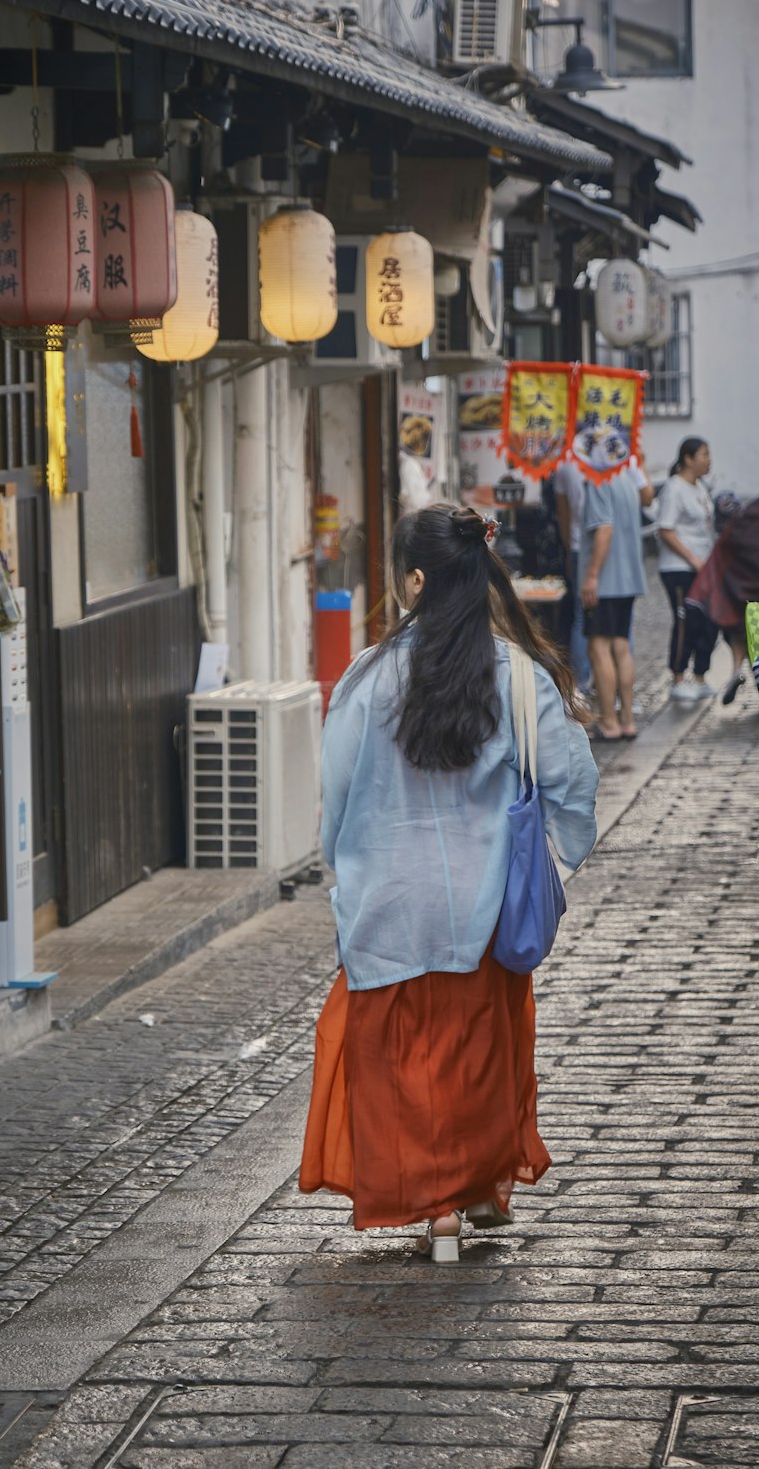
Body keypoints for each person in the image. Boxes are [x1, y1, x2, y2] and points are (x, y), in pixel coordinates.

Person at [299, 505, 598, 1263]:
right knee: (476, 1052)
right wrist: (556, 857)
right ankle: (472, 1189)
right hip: (484, 903)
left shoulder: (367, 678)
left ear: (415, 582)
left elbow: (334, 796)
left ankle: (436, 1209)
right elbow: (573, 786)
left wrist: (344, 867)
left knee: (402, 1062)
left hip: (388, 899)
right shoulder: (518, 676)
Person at [580, 465, 650, 741]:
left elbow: (604, 528)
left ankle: (609, 722)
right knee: (621, 646)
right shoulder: (625, 477)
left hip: (606, 579)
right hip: (628, 576)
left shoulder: (598, 480)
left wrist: (592, 575)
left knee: (599, 647)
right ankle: (627, 720)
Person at [655, 438, 718, 702]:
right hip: (679, 568)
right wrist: (692, 559)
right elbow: (665, 530)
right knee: (685, 622)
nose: (708, 459)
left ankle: (700, 676)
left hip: (704, 567)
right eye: (704, 454)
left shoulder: (699, 487)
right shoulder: (674, 489)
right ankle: (678, 677)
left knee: (709, 620)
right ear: (688, 459)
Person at [687, 496, 759, 704]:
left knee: (739, 635)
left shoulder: (729, 538)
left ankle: (737, 670)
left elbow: (714, 572)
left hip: (739, 598)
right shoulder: (751, 524)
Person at [554, 458, 591, 689]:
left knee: (581, 615)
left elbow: (563, 515)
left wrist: (568, 550)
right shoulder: (608, 458)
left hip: (579, 546)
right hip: (607, 546)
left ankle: (581, 683)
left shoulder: (566, 465)